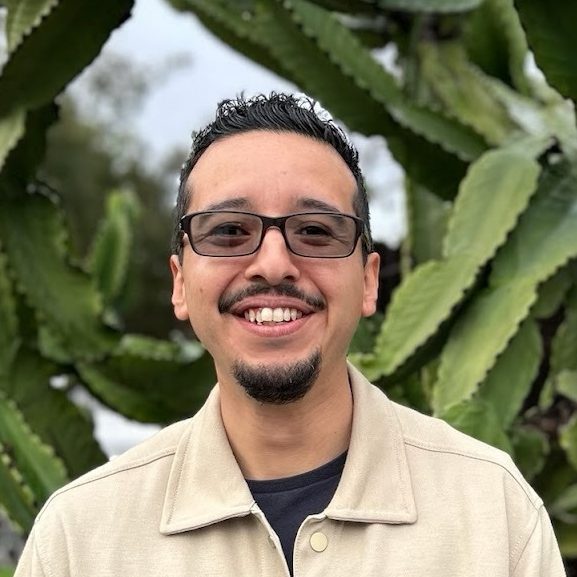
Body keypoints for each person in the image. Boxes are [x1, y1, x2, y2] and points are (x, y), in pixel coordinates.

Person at [15, 93, 566, 577]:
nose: (273, 263)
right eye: (230, 231)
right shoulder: (80, 539)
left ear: (368, 281)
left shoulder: (494, 512)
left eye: (315, 232)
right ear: (180, 284)